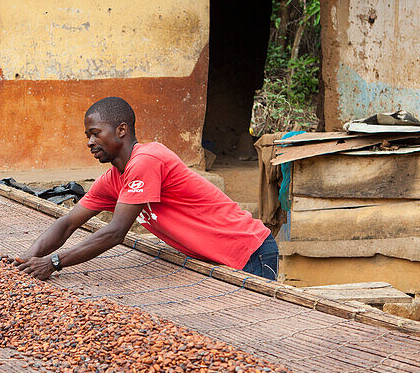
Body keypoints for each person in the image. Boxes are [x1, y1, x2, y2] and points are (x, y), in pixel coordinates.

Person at [15, 96, 277, 281]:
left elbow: (116, 232)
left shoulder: (147, 160)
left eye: (95, 133)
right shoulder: (112, 180)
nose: (90, 142)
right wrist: (25, 260)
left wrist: (54, 262)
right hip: (217, 257)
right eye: (88, 136)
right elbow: (68, 223)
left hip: (249, 251)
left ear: (121, 130)